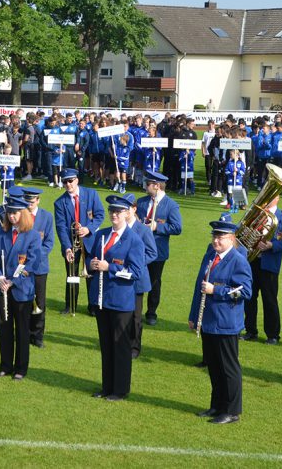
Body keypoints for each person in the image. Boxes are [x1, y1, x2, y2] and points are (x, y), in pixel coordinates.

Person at [187, 216, 253, 424]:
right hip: (209, 321)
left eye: (221, 237)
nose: (216, 241)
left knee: (228, 368)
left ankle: (231, 411)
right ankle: (217, 406)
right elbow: (199, 288)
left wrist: (217, 290)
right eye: (215, 236)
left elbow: (245, 292)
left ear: (232, 238)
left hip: (226, 323)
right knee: (214, 367)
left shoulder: (238, 260)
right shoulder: (211, 257)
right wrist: (193, 316)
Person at [87, 195, 146, 401]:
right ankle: (106, 386)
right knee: (106, 345)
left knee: (120, 347)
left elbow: (135, 272)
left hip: (121, 301)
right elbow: (90, 260)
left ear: (127, 213)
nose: (114, 214)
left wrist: (109, 268)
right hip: (101, 298)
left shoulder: (134, 240)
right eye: (112, 211)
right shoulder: (101, 234)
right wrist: (92, 265)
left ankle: (120, 389)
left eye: (118, 212)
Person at [0, 196, 42, 380]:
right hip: (2, 288)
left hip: (21, 290)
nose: (11, 216)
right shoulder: (1, 234)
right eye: (9, 213)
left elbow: (33, 262)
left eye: (15, 213)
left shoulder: (32, 235)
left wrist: (13, 281)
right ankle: (5, 365)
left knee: (22, 330)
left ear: (23, 214)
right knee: (4, 328)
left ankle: (21, 368)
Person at [242, 195, 282, 344]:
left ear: (277, 198)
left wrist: (272, 246)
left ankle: (273, 335)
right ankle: (250, 331)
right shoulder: (255, 214)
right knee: (249, 298)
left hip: (270, 264)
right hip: (251, 262)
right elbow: (244, 233)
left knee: (270, 299)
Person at [54, 168, 104, 315]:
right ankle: (70, 306)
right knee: (72, 275)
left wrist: (88, 229)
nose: (68, 184)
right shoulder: (59, 203)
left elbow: (100, 215)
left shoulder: (91, 194)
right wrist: (67, 248)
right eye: (64, 182)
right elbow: (61, 227)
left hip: (90, 242)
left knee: (92, 275)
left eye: (70, 181)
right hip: (72, 244)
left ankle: (93, 306)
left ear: (77, 180)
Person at [135, 171, 183, 326]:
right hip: (139, 249)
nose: (145, 186)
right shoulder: (141, 202)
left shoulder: (171, 205)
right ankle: (135, 310)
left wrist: (157, 226)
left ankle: (151, 313)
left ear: (156, 186)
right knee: (137, 278)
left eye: (148, 184)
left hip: (158, 251)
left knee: (155, 282)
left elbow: (177, 228)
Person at [120, 193, 158, 359]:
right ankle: (122, 342)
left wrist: (135, 263)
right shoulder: (118, 228)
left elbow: (152, 253)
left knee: (136, 316)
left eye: (126, 209)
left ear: (134, 209)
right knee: (121, 313)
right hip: (119, 277)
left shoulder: (143, 230)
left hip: (136, 279)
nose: (123, 212)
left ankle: (135, 347)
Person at [23, 187, 54, 347]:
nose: (29, 204)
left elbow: (49, 243)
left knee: (40, 302)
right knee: (23, 300)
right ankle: (24, 333)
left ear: (38, 201)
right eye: (27, 201)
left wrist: (34, 258)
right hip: (22, 266)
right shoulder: (20, 214)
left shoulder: (47, 217)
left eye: (32, 201)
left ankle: (38, 336)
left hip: (39, 266)